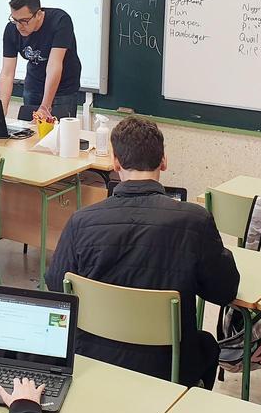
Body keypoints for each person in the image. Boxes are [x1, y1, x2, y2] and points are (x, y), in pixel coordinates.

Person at [44, 116, 239, 389]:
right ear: (164, 161)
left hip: (91, 359)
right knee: (206, 343)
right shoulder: (195, 221)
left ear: (115, 163)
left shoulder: (81, 221)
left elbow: (57, 286)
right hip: (166, 367)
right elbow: (224, 291)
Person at [0, 0, 82, 122]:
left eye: (24, 21)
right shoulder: (11, 29)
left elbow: (54, 65)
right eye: (15, 20)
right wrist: (1, 111)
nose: (19, 26)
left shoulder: (60, 21)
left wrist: (45, 107)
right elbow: (7, 73)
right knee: (30, 130)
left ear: (38, 14)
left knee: (58, 131)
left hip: (63, 89)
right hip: (34, 86)